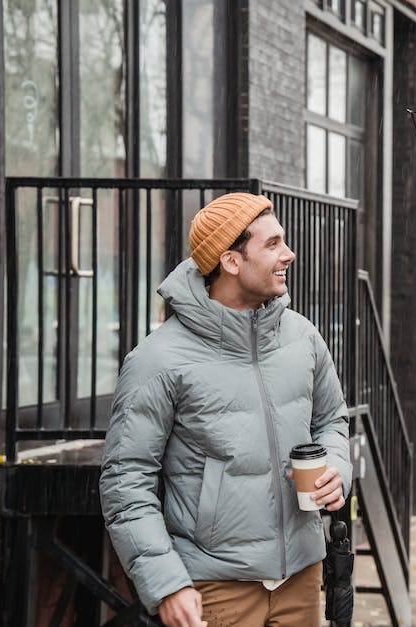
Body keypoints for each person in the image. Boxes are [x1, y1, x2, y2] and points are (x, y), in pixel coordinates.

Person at [99, 192, 351, 627]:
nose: (288, 254)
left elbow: (331, 421)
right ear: (231, 262)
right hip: (214, 588)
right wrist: (167, 582)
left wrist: (337, 468)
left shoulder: (303, 337)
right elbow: (125, 481)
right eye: (272, 244)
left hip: (302, 580)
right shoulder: (158, 360)